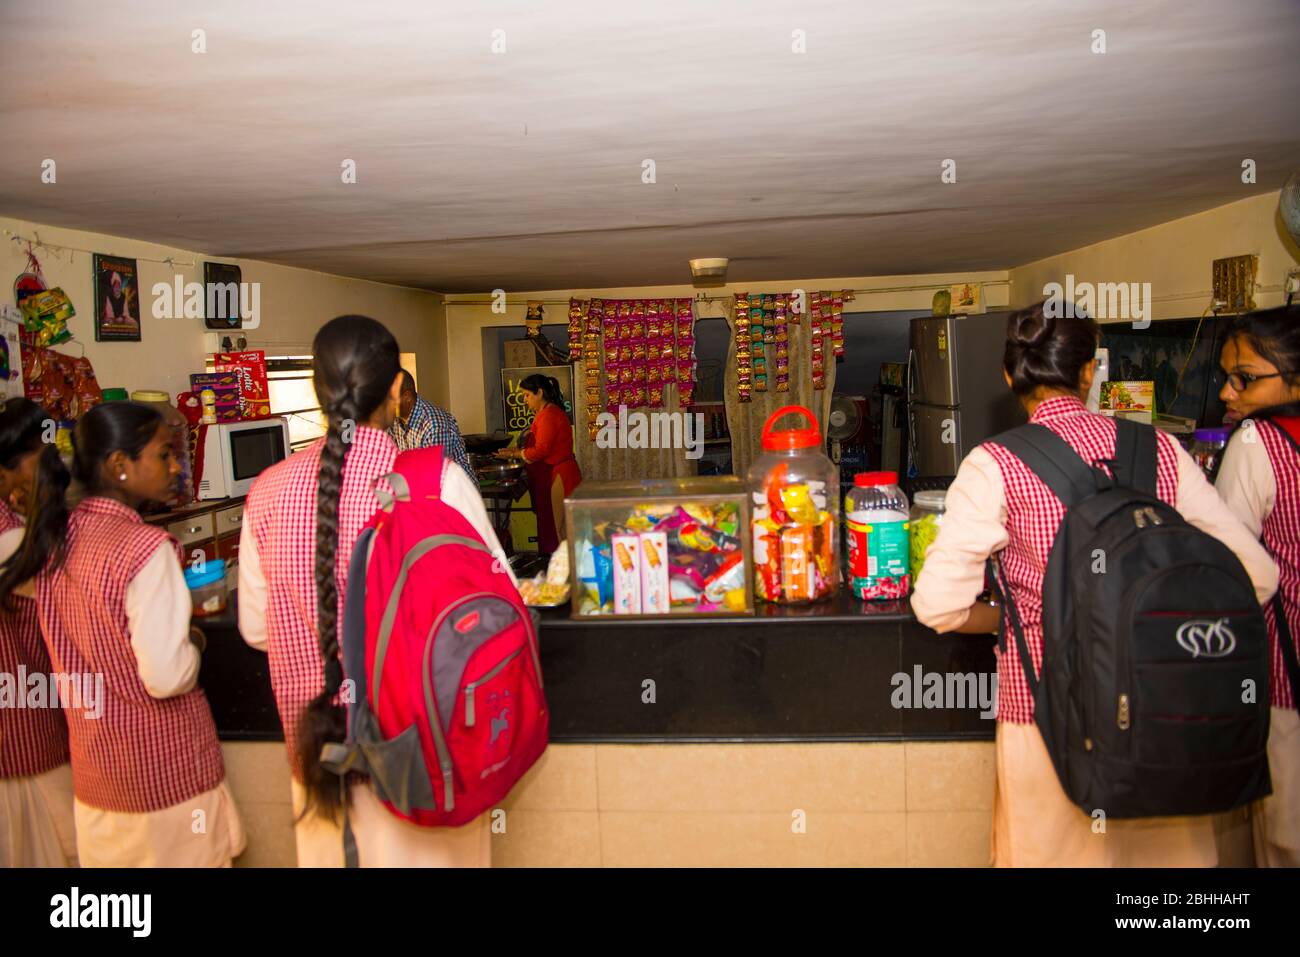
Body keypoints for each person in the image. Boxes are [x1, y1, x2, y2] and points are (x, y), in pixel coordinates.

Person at [910, 301, 1277, 867]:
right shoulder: (1161, 451)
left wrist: (1006, 617)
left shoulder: (994, 465)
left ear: (1010, 376)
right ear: (1089, 372)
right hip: (1162, 716)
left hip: (1044, 715)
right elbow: (1257, 576)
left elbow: (938, 605)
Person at [239, 315, 514, 867]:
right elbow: (500, 606)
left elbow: (256, 629)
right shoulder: (435, 482)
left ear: (320, 392)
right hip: (425, 752)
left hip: (321, 759)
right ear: (395, 388)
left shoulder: (266, 490)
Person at [0, 402, 244, 867]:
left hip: (97, 780)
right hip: (163, 780)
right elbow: (166, 676)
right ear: (119, 466)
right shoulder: (146, 549)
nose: (176, 466)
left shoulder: (54, 539)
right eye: (163, 454)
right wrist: (192, 641)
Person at [1212, 304, 1300, 867]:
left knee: (1285, 841)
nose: (1227, 391)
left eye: (1244, 377)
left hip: (1283, 676)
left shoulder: (1256, 444)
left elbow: (1225, 567)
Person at [0, 399, 76, 867]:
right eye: (44, 456)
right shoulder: (15, 541)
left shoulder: (22, 530)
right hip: (29, 742)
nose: (53, 466)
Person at [498, 374, 581, 554]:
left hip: (560, 475)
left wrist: (518, 453)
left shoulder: (548, 415)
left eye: (527, 395)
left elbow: (542, 450)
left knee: (559, 527)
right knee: (560, 526)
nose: (525, 400)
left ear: (540, 393)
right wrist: (514, 452)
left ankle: (564, 570)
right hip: (561, 471)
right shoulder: (546, 413)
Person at [388, 370, 475, 481]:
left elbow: (435, 478)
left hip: (456, 494)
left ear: (407, 396)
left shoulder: (434, 425)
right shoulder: (396, 422)